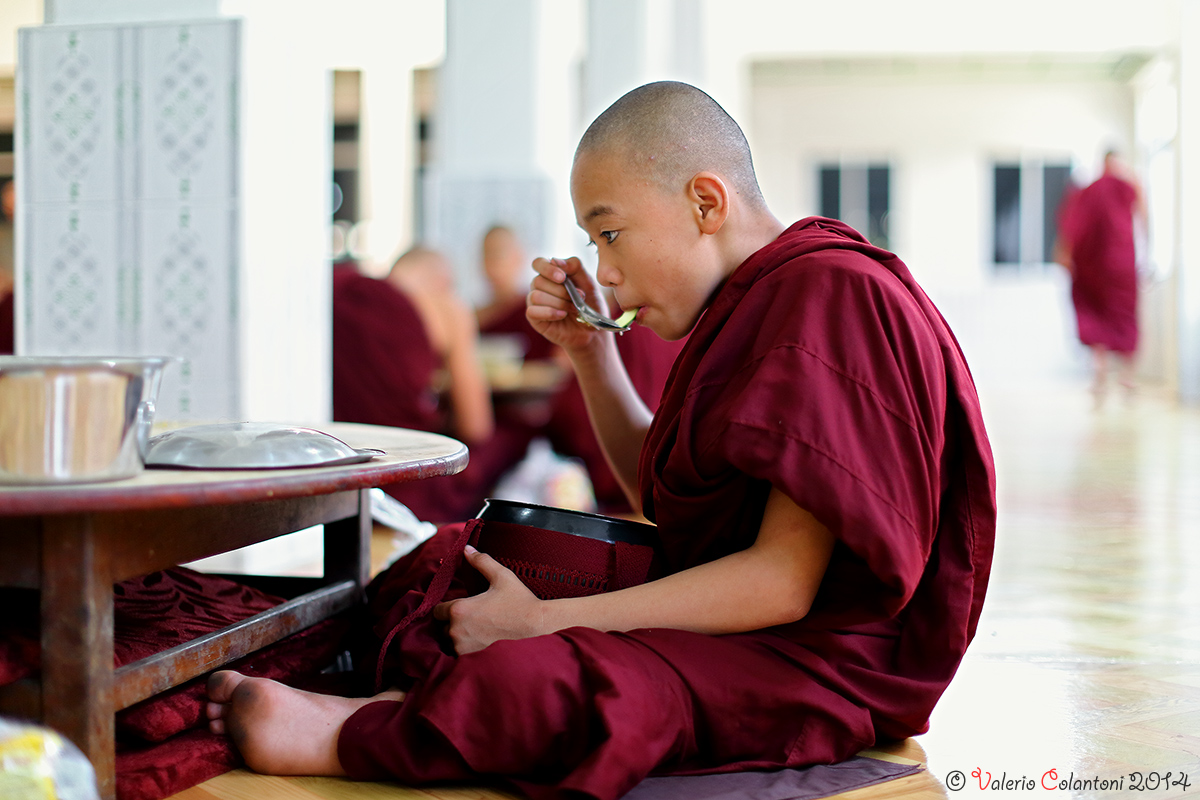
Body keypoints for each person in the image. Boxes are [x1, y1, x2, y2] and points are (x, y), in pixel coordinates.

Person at [207, 81, 997, 800]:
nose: (603, 271)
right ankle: (415, 691)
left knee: (551, 681)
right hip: (749, 616)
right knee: (453, 560)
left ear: (705, 202)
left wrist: (546, 624)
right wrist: (590, 354)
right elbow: (660, 495)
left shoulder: (831, 293)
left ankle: (350, 736)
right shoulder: (746, 303)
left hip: (812, 658)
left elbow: (781, 585)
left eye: (610, 234)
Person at [331, 246, 533, 523]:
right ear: (442, 283)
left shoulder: (340, 297)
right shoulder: (441, 308)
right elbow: (476, 427)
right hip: (408, 481)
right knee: (513, 434)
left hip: (341, 475)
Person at [1055, 151, 1146, 400]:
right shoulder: (1118, 187)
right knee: (1112, 316)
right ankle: (1108, 375)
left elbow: (1071, 225)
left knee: (1115, 315)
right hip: (1109, 265)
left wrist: (1065, 252)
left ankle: (1115, 376)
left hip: (1111, 265)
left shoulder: (1115, 187)